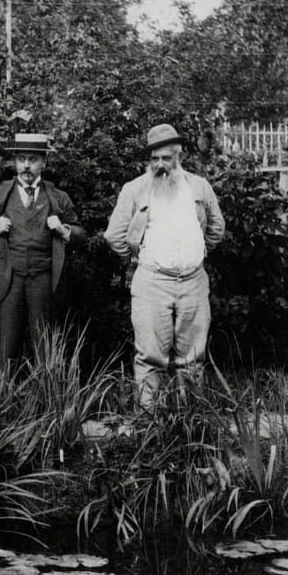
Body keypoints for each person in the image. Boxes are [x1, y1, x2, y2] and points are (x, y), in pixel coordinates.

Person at [102, 123, 225, 408]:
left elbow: (216, 227)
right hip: (152, 283)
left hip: (194, 281)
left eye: (166, 158)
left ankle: (191, 423)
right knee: (150, 356)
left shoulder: (198, 187)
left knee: (192, 357)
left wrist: (198, 252)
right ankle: (150, 422)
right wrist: (136, 259)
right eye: (154, 159)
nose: (160, 165)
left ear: (178, 156)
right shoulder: (135, 189)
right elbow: (114, 234)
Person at [0, 132, 86, 365]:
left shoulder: (58, 197)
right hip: (7, 278)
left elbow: (81, 234)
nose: (26, 166)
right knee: (7, 346)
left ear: (44, 162)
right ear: (14, 162)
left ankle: (46, 396)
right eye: (21, 159)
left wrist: (64, 230)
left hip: (43, 279)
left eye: (32, 160)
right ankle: (6, 395)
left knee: (44, 346)